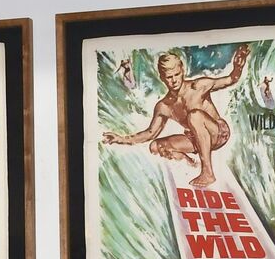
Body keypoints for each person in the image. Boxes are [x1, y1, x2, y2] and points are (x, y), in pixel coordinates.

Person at [100, 46, 250, 187]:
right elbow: (150, 133)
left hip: (218, 133)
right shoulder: (164, 106)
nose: (174, 80)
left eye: (177, 74)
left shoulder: (198, 86)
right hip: (196, 139)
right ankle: (189, 162)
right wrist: (121, 139)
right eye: (169, 77)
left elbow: (231, 79)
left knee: (194, 116)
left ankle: (207, 172)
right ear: (162, 78)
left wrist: (238, 67)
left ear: (182, 70)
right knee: (156, 146)